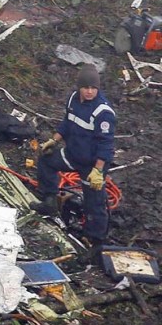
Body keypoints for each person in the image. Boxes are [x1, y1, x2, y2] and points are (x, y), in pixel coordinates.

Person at [32, 64, 115, 247]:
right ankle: (49, 201)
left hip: (92, 165)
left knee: (94, 203)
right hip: (72, 154)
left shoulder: (103, 113)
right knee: (46, 161)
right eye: (86, 87)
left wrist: (98, 171)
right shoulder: (72, 100)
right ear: (79, 87)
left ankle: (95, 241)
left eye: (94, 88)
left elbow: (106, 145)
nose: (90, 92)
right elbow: (67, 123)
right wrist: (54, 140)